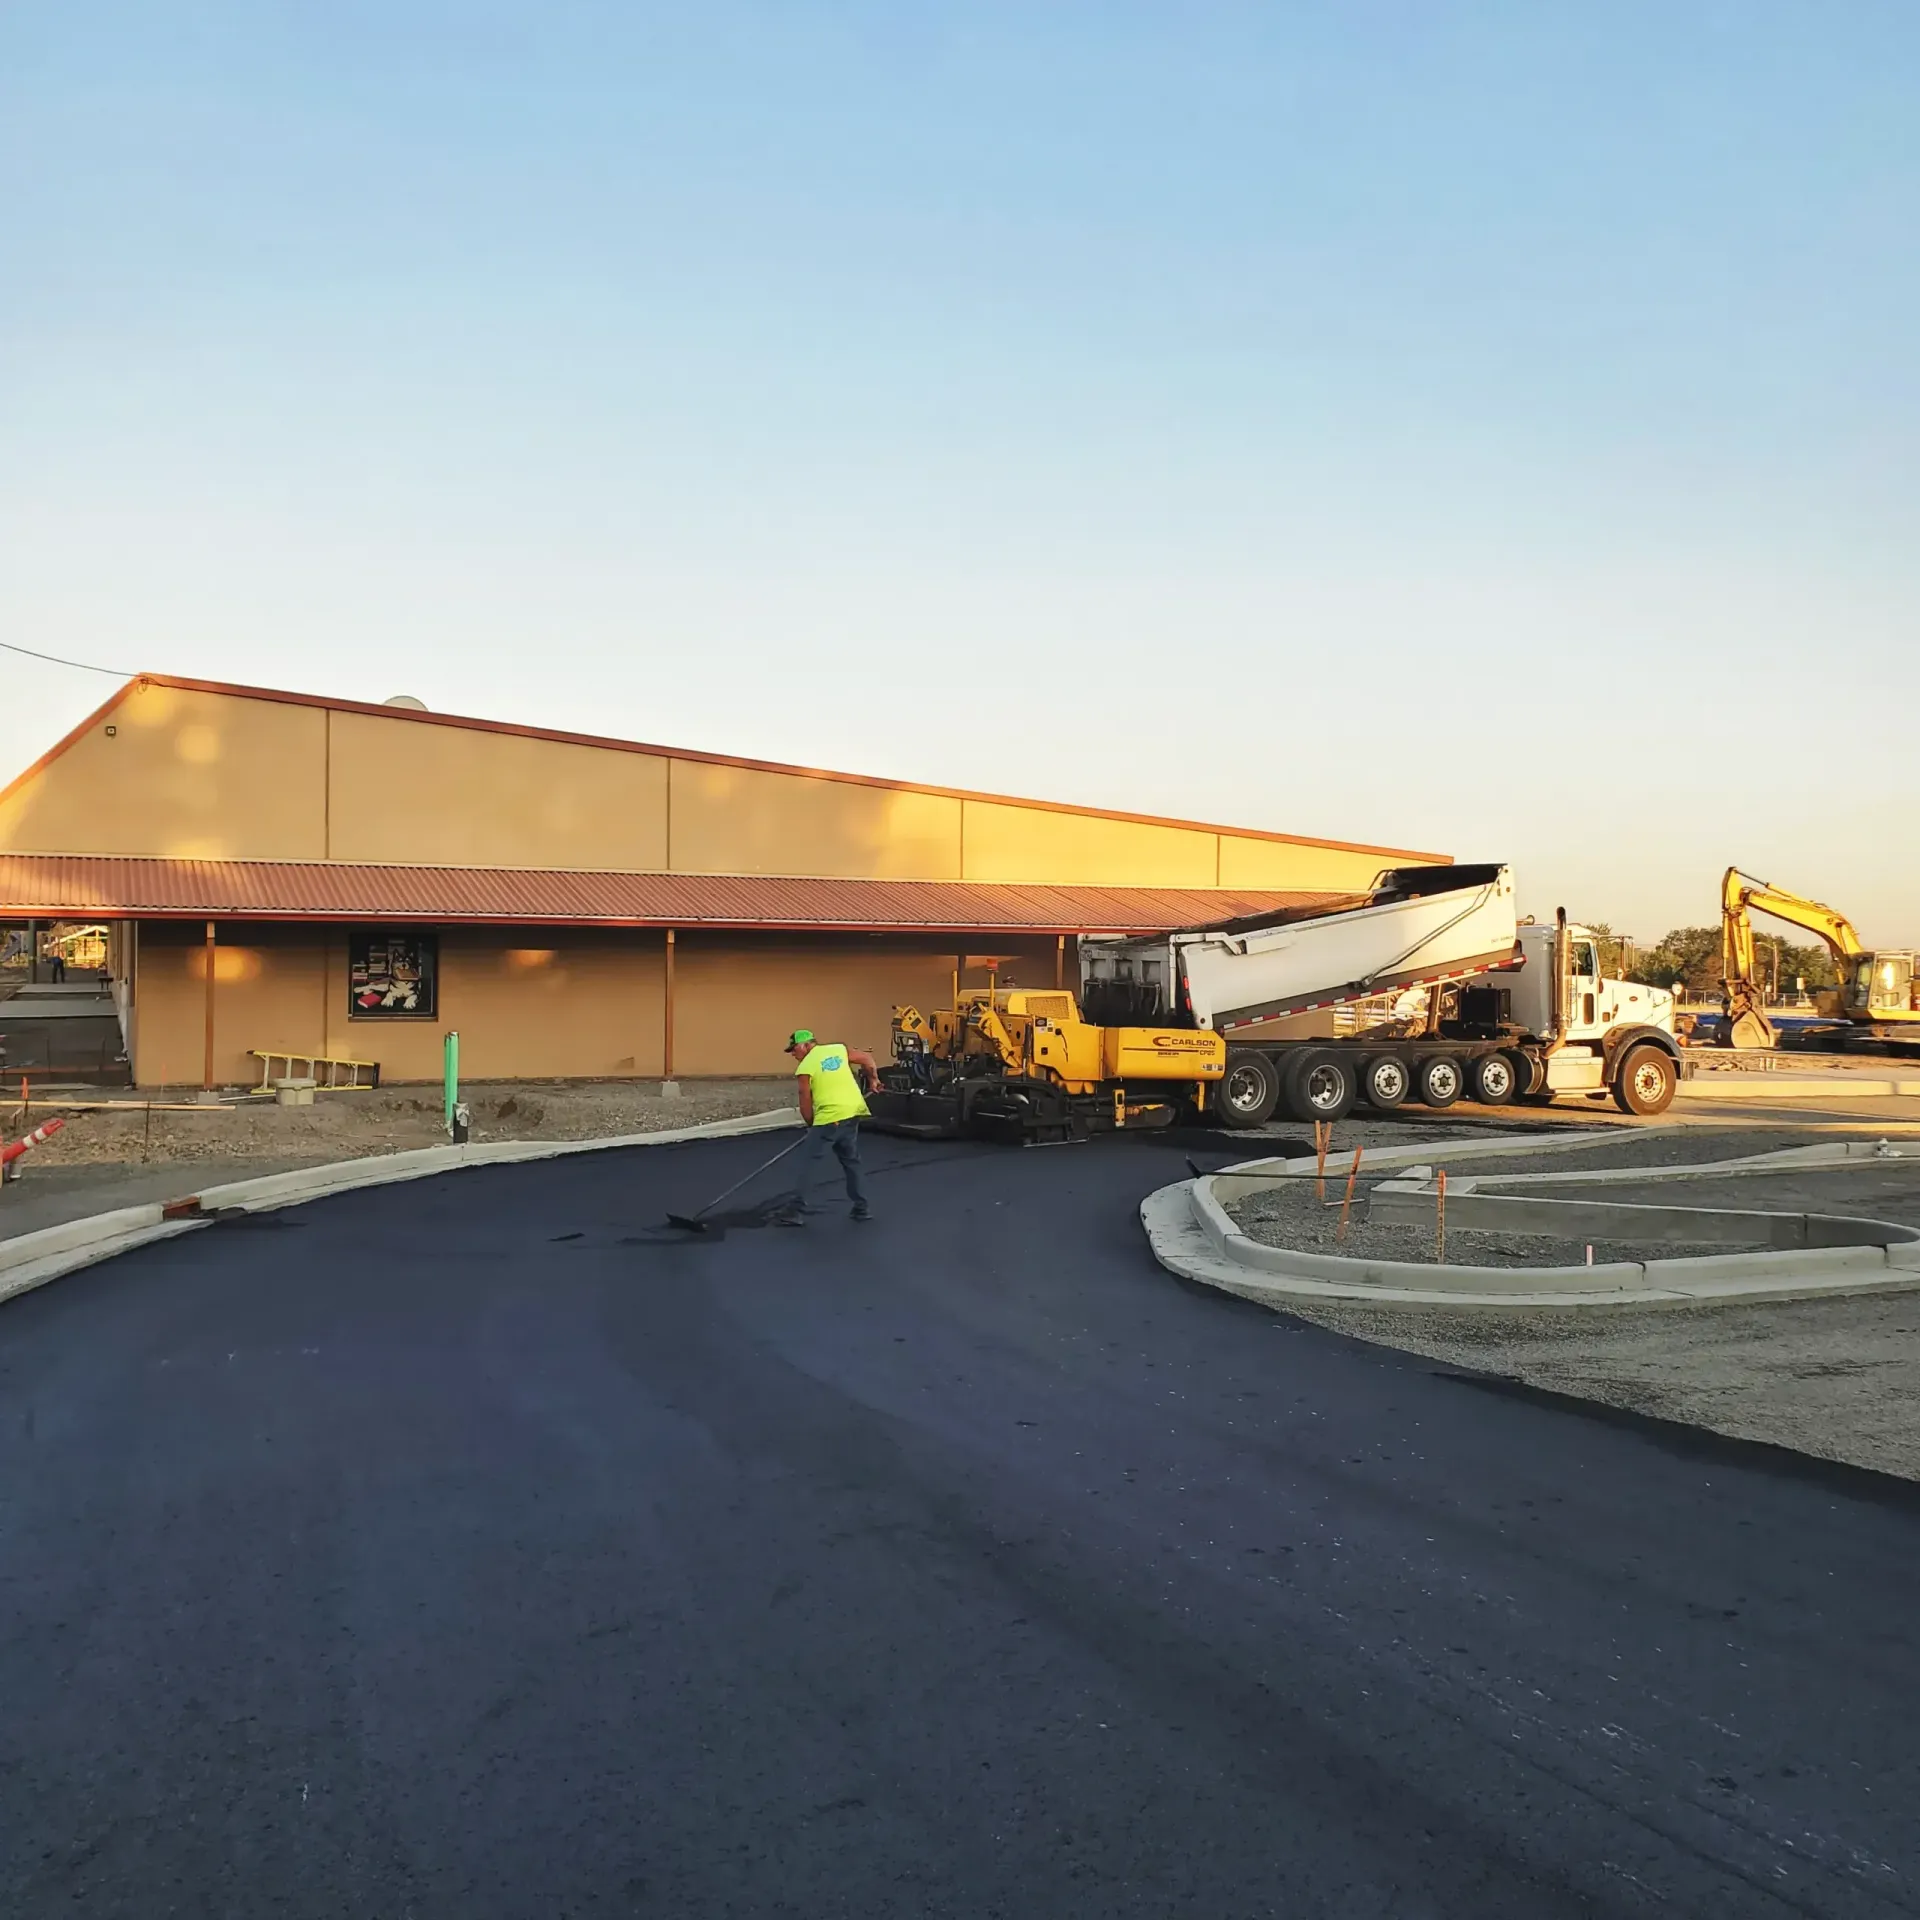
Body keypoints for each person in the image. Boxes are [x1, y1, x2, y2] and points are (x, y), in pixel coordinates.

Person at [774, 1029, 882, 1225]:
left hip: (831, 1116)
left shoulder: (805, 1067)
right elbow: (867, 1058)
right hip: (852, 1112)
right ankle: (861, 1208)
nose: (792, 1054)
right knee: (851, 1160)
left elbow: (805, 1101)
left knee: (808, 1161)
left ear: (806, 1045)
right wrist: (873, 1079)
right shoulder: (838, 1049)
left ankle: (794, 1210)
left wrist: (811, 1125)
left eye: (793, 1049)